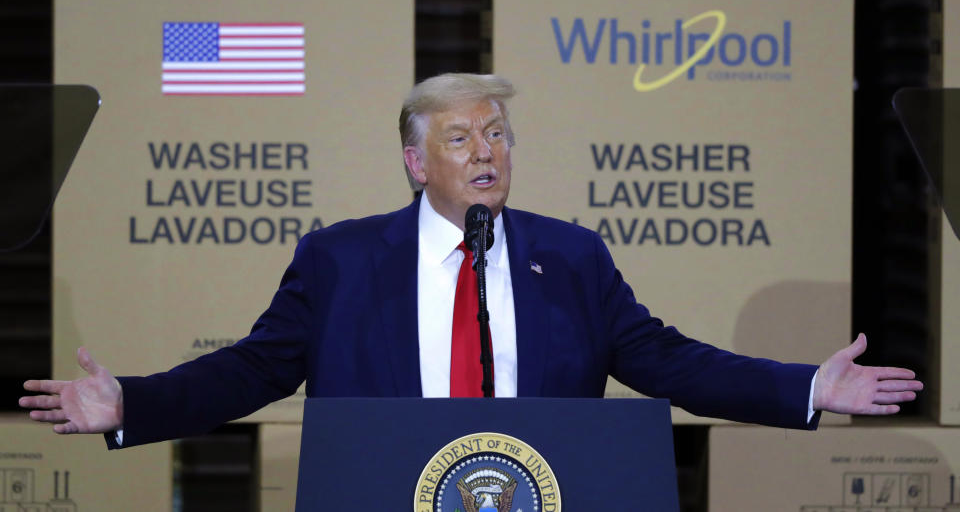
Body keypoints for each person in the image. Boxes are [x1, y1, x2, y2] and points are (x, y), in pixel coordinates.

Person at [20, 74, 922, 447]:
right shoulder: (338, 261)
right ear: (417, 163)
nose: (486, 150)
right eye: (460, 138)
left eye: (497, 133)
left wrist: (808, 388)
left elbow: (667, 361)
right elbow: (254, 371)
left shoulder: (569, 258)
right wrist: (132, 402)